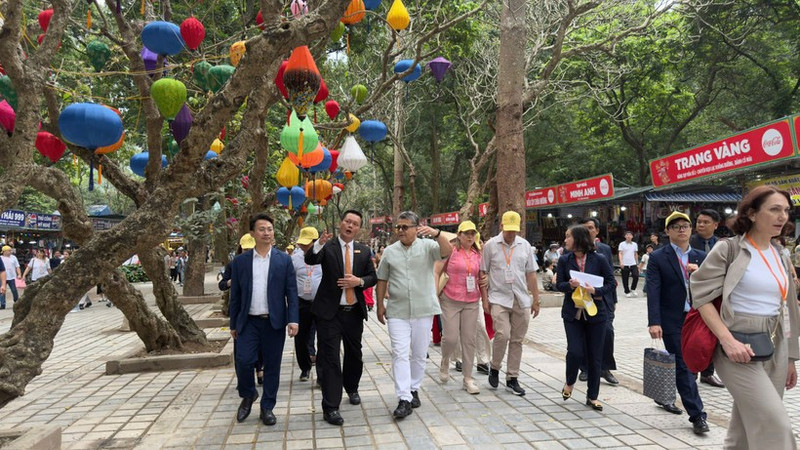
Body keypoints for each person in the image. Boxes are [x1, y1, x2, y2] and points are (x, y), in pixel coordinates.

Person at [691, 186, 800, 448]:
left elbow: (787, 308)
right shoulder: (729, 249)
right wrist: (727, 340)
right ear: (752, 214)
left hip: (775, 343)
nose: (782, 216)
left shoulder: (780, 254)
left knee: (745, 425)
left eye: (786, 210)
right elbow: (701, 296)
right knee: (775, 424)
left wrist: (790, 357)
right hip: (737, 343)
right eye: (774, 209)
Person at [375, 211, 452, 419]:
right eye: (398, 227)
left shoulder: (428, 247)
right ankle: (404, 398)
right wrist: (380, 305)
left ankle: (414, 388)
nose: (400, 231)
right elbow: (382, 279)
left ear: (416, 228)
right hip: (397, 310)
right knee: (399, 353)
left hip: (423, 309)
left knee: (419, 354)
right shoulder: (390, 251)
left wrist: (436, 233)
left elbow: (447, 251)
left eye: (405, 227)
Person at [305, 210, 377, 426]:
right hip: (330, 314)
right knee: (330, 359)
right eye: (347, 221)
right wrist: (318, 243)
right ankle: (331, 406)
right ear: (340, 223)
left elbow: (372, 277)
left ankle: (352, 388)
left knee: (354, 355)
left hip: (353, 313)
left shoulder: (364, 250)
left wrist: (359, 282)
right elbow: (311, 259)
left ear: (359, 228)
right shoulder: (328, 246)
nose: (350, 226)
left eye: (355, 223)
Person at [228, 213, 298, 426]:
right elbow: (235, 295)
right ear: (252, 233)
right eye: (261, 229)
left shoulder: (283, 260)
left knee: (272, 366)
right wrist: (233, 324)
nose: (266, 233)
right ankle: (248, 394)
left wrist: (293, 320)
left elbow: (291, 292)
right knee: (243, 361)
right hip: (248, 322)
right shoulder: (240, 262)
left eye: (269, 229)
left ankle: (267, 407)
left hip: (273, 322)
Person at [646, 211, 709, 435]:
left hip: (698, 318)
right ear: (667, 231)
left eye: (685, 226)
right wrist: (654, 322)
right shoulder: (658, 257)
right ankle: (697, 415)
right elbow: (653, 290)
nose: (681, 230)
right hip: (672, 319)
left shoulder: (701, 256)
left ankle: (668, 395)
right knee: (683, 365)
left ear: (691, 229)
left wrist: (700, 274)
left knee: (691, 363)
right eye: (676, 227)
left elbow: (715, 285)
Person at [480, 211, 540, 396]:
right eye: (508, 230)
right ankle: (495, 367)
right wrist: (484, 300)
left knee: (517, 340)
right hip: (498, 298)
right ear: (501, 226)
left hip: (520, 298)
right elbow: (483, 272)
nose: (511, 234)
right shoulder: (490, 246)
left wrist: (536, 300)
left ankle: (512, 378)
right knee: (503, 334)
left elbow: (531, 274)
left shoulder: (525, 246)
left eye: (514, 230)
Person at [556, 225, 616, 411]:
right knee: (575, 351)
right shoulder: (564, 260)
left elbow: (611, 283)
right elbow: (559, 284)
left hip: (596, 314)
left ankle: (592, 396)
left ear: (578, 239)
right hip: (573, 314)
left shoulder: (599, 259)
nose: (565, 240)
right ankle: (570, 382)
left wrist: (595, 290)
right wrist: (570, 285)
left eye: (568, 236)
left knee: (595, 355)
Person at [437, 220, 486, 394]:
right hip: (450, 299)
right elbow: (437, 271)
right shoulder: (450, 251)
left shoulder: (478, 253)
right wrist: (435, 294)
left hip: (471, 301)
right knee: (450, 338)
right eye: (466, 233)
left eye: (473, 233)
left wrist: (486, 285)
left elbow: (483, 275)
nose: (470, 237)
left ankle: (468, 378)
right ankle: (445, 360)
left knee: (469, 340)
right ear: (459, 235)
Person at [579, 217, 619, 385]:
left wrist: (613, 300)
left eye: (590, 228)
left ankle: (605, 367)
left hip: (603, 299)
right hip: (582, 299)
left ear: (597, 231)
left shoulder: (605, 250)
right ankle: (585, 368)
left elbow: (611, 277)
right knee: (584, 333)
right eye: (584, 228)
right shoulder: (574, 250)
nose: (587, 231)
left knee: (607, 332)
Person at [219, 234, 263, 385]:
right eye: (245, 249)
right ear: (240, 249)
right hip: (240, 312)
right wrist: (231, 282)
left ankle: (260, 370)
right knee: (241, 347)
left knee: (260, 344)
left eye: (251, 249)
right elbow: (222, 285)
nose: (248, 252)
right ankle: (243, 379)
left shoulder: (261, 263)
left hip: (258, 310)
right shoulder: (234, 264)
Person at [689, 209, 725, 389]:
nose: (701, 225)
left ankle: (708, 373)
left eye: (706, 222)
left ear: (716, 225)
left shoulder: (722, 245)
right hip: (693, 297)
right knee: (694, 337)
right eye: (699, 222)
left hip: (715, 297)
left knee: (712, 336)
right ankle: (691, 372)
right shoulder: (688, 242)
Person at [291, 227, 322, 383]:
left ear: (315, 242)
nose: (304, 246)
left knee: (324, 337)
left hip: (321, 303)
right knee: (301, 337)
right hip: (302, 303)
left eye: (307, 244)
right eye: (302, 243)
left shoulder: (325, 255)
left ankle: (322, 373)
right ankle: (305, 367)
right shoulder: (295, 258)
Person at [618, 231, 639, 297]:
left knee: (636, 276)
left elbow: (635, 254)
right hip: (625, 263)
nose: (628, 236)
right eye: (627, 235)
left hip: (633, 263)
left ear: (632, 236)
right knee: (625, 278)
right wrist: (621, 262)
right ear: (625, 236)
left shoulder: (635, 244)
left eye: (630, 235)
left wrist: (637, 263)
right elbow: (620, 253)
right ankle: (627, 291)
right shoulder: (622, 244)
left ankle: (633, 288)